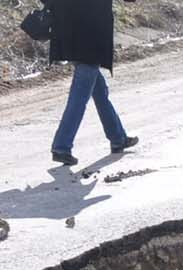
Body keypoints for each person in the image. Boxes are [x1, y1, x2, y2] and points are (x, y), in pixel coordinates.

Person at [48, 0, 142, 166]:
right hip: (90, 38)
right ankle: (61, 146)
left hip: (69, 36)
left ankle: (118, 138)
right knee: (80, 96)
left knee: (99, 91)